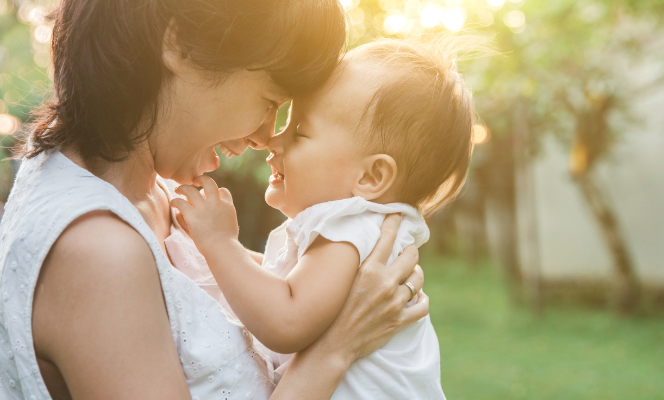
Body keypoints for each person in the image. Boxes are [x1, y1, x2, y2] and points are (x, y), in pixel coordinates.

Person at [0, 0, 427, 399]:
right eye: (268, 101)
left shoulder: (155, 193)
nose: (266, 136)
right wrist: (337, 349)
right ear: (181, 47)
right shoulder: (96, 251)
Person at [171, 37, 474, 399]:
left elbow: (287, 321)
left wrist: (219, 243)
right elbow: (286, 278)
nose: (274, 142)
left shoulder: (351, 226)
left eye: (299, 132)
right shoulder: (364, 228)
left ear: (371, 177)